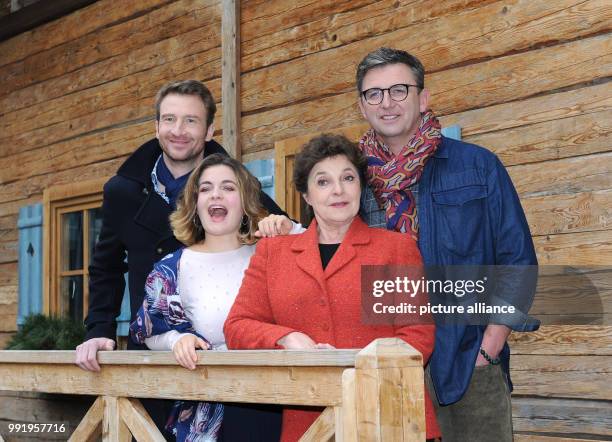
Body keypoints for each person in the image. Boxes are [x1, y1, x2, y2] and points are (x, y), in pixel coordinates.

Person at [74, 80, 288, 436]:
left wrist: (281, 225)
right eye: (169, 119)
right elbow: (107, 267)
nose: (178, 131)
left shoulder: (237, 184)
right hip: (157, 351)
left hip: (234, 365)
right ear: (156, 126)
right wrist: (99, 330)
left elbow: (280, 237)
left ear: (209, 130)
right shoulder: (122, 191)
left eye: (191, 121)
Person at [355, 47, 539, 441]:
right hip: (378, 368)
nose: (387, 103)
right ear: (362, 106)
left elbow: (518, 262)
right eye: (375, 94)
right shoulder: (347, 181)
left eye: (399, 90)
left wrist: (488, 350)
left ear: (423, 98)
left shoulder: (477, 166)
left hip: (468, 365)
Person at [224, 134, 440, 441]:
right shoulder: (274, 253)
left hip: (389, 418)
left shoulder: (395, 249)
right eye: (323, 181)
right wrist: (287, 338)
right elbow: (237, 327)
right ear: (307, 195)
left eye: (348, 178)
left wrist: (351, 362)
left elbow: (416, 338)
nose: (338, 190)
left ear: (360, 187)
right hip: (308, 424)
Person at [130, 153, 292, 441]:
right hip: (205, 416)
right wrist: (176, 340)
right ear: (195, 204)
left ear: (246, 203)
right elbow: (150, 330)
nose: (216, 194)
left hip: (274, 409)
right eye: (205, 188)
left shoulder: (272, 254)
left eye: (228, 188)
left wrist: (290, 229)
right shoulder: (171, 268)